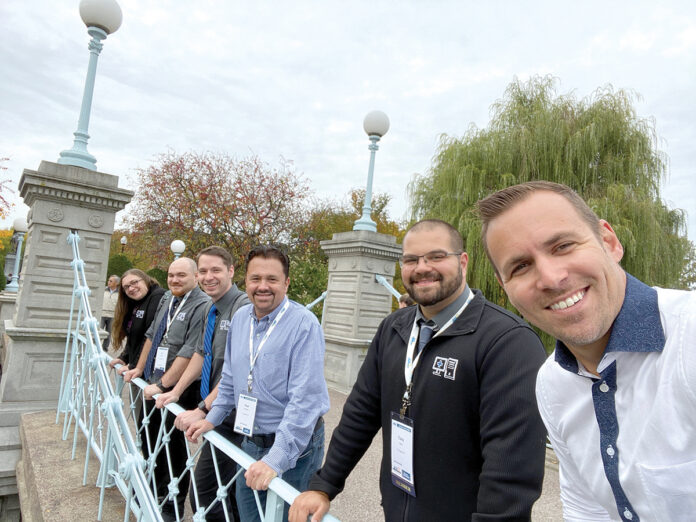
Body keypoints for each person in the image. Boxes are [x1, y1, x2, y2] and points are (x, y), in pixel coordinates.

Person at [290, 219, 547, 522]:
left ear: (463, 261)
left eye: (437, 257)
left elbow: (510, 465)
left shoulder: (507, 341)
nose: (422, 267)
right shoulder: (393, 328)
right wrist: (323, 486)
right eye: (411, 260)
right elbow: (360, 413)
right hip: (398, 509)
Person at [477, 181, 696, 521]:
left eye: (563, 246)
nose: (550, 278)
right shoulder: (551, 383)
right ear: (505, 290)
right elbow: (587, 507)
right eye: (520, 267)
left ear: (609, 242)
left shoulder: (689, 338)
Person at [187, 245, 329, 522]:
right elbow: (230, 378)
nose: (262, 286)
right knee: (249, 516)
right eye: (255, 279)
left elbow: (305, 401)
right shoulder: (241, 319)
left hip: (295, 446)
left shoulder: (304, 324)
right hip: (250, 440)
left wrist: (274, 459)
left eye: (272, 279)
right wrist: (212, 417)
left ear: (286, 283)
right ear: (246, 281)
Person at [155, 246, 250, 521]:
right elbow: (200, 352)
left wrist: (203, 408)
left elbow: (240, 370)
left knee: (211, 493)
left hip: (235, 415)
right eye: (204, 271)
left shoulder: (242, 308)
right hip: (218, 414)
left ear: (231, 271)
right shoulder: (211, 308)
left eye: (216, 270)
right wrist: (175, 391)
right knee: (222, 494)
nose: (209, 277)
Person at [123, 257, 210, 521]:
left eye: (181, 275)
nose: (174, 280)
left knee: (172, 446)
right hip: (154, 383)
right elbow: (152, 335)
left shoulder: (202, 305)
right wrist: (139, 369)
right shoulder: (166, 300)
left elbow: (190, 350)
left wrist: (164, 385)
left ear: (195, 277)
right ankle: (150, 488)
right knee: (149, 438)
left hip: (178, 390)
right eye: (171, 275)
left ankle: (172, 502)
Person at [109, 270, 165, 373]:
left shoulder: (157, 296)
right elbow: (134, 336)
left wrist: (134, 365)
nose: (131, 288)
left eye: (134, 282)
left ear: (145, 279)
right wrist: (124, 358)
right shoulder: (136, 302)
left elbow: (149, 335)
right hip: (138, 368)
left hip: (150, 369)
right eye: (126, 287)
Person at [101, 274, 120, 351]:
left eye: (111, 281)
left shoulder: (120, 293)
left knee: (108, 333)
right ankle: (95, 347)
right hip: (102, 314)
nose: (108, 282)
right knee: (98, 332)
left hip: (112, 316)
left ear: (116, 283)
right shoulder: (103, 290)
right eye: (108, 280)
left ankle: (104, 349)